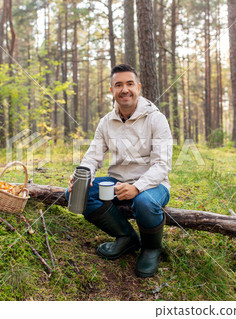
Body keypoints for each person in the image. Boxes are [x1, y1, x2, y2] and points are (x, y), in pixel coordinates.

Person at [66, 64, 172, 277]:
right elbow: (92, 157)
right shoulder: (106, 122)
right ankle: (126, 237)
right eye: (119, 85)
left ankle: (151, 248)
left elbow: (162, 165)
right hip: (117, 182)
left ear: (138, 87)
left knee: (145, 202)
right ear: (112, 90)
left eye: (130, 84)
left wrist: (137, 187)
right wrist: (82, 176)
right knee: (76, 192)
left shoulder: (155, 118)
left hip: (153, 185)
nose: (125, 89)